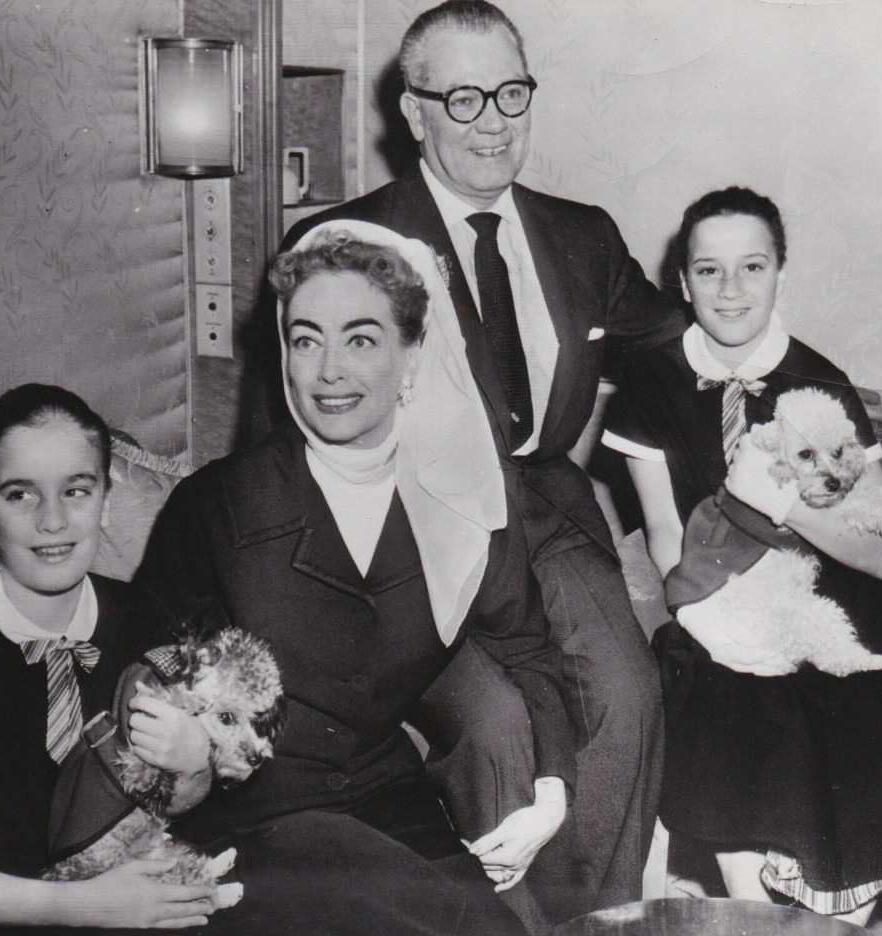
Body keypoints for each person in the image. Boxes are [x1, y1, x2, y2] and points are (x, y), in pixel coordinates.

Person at [281, 0, 687, 916]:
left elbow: (687, 346)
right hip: (409, 532)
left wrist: (791, 396)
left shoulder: (583, 235)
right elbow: (289, 443)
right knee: (501, 727)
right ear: (413, 112)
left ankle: (602, 920)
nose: (493, 120)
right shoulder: (345, 245)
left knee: (627, 694)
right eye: (461, 99)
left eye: (511, 91)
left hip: (549, 512)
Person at [136, 221, 579, 936]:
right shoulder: (220, 503)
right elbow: (145, 657)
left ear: (411, 358)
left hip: (385, 798)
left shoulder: (460, 505)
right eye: (306, 339)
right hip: (253, 816)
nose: (328, 370)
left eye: (361, 339)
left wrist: (552, 795)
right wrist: (189, 740)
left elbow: (530, 651)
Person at [602, 186, 882, 925]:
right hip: (714, 593)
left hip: (828, 593)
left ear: (780, 271)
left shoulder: (818, 379)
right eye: (709, 270)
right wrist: (695, 610)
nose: (730, 290)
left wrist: (779, 504)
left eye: (751, 267)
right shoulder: (651, 382)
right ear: (682, 282)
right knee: (729, 689)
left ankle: (834, 908)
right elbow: (662, 529)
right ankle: (758, 912)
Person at [0, 384, 219, 933]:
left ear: (106, 501)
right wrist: (89, 907)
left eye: (76, 491)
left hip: (140, 895)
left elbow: (178, 803)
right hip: (4, 915)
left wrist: (195, 764)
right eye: (20, 494)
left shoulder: (148, 618)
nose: (53, 521)